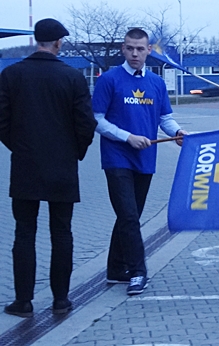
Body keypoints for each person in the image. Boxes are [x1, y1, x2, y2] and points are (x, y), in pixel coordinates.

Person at [0, 18, 96, 317]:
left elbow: (2, 120)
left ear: (36, 41)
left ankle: (23, 301)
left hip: (26, 165)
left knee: (24, 233)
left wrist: (19, 147)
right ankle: (61, 300)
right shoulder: (72, 77)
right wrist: (74, 153)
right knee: (62, 233)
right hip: (62, 167)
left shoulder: (12, 74)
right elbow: (86, 124)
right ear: (58, 42)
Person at [92, 28, 187, 296]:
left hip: (146, 159)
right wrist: (126, 137)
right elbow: (97, 119)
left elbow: (165, 118)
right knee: (130, 216)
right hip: (117, 157)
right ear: (123, 49)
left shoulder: (156, 83)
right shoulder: (109, 79)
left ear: (148, 51)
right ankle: (138, 272)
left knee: (129, 216)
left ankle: (114, 269)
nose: (135, 53)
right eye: (130, 48)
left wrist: (178, 133)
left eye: (140, 49)